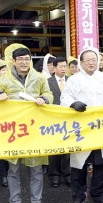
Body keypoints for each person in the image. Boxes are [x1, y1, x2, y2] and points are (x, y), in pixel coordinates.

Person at [0, 44, 53, 203]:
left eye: (27, 59)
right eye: (20, 59)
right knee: (13, 169)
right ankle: (15, 202)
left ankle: (37, 202)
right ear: (14, 61)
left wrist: (44, 98)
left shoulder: (40, 78)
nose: (24, 62)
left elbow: (49, 94)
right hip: (13, 131)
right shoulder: (4, 79)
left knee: (36, 168)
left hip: (35, 129)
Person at [60, 47, 103, 203]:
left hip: (102, 128)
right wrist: (73, 103)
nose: (91, 63)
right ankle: (78, 197)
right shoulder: (74, 80)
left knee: (101, 164)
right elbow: (65, 97)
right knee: (79, 166)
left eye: (94, 60)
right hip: (82, 129)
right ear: (81, 63)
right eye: (88, 60)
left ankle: (99, 196)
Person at [46, 57, 71, 188]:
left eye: (65, 66)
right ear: (54, 68)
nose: (63, 69)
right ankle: (54, 175)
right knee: (54, 148)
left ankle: (68, 174)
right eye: (61, 66)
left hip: (69, 118)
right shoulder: (47, 82)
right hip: (53, 119)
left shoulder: (72, 80)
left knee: (68, 148)